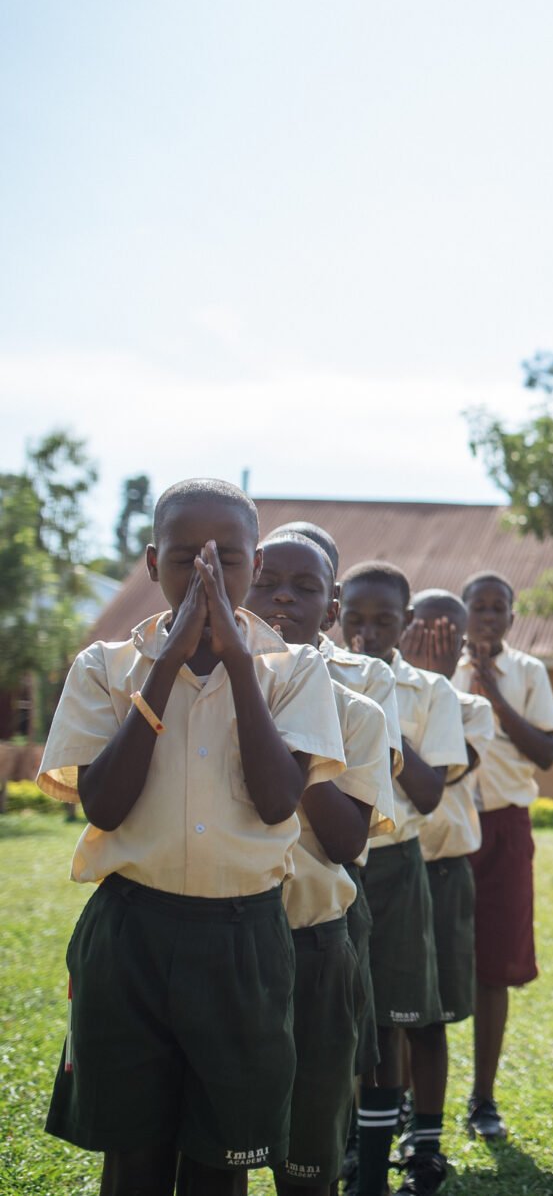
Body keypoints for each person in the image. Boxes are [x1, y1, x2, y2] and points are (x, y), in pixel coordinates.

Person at [37, 479, 346, 1195]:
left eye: (227, 561)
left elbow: (277, 803)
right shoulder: (105, 667)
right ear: (151, 564)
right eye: (183, 560)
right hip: (131, 932)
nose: (205, 578)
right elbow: (105, 807)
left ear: (255, 566)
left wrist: (239, 662)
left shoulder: (294, 671)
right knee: (134, 1157)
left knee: (222, 1161)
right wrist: (167, 664)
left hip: (242, 940)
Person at [243, 531, 395, 1196]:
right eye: (266, 581)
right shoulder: (202, 693)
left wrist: (291, 739)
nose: (282, 596)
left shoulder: (356, 710)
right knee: (220, 1144)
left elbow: (343, 843)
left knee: (309, 1155)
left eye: (306, 589)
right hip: (225, 936)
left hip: (314, 944)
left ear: (331, 610)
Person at [340, 560, 468, 1196]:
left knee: (392, 1016)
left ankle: (374, 1170)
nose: (366, 632)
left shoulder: (430, 692)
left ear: (407, 621)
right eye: (354, 617)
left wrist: (379, 712)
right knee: (336, 1013)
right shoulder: (317, 675)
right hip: (328, 862)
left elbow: (428, 791)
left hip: (395, 864)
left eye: (384, 620)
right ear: (337, 612)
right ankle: (346, 1147)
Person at [394, 589, 497, 1195]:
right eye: (425, 630)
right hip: (384, 866)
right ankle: (387, 1113)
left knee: (428, 1005)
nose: (438, 642)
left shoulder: (467, 705)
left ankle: (422, 1130)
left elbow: (432, 778)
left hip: (441, 867)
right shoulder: (371, 688)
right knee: (382, 1008)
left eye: (449, 633)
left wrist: (427, 680)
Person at [456, 572, 553, 1140]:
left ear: (512, 618)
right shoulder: (438, 667)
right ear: (462, 611)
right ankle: (406, 1104)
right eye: (479, 606)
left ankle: (483, 1099)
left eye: (500, 608)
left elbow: (546, 752)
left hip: (505, 826)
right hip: (445, 824)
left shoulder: (528, 673)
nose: (489, 617)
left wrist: (494, 696)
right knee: (426, 961)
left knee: (494, 964)